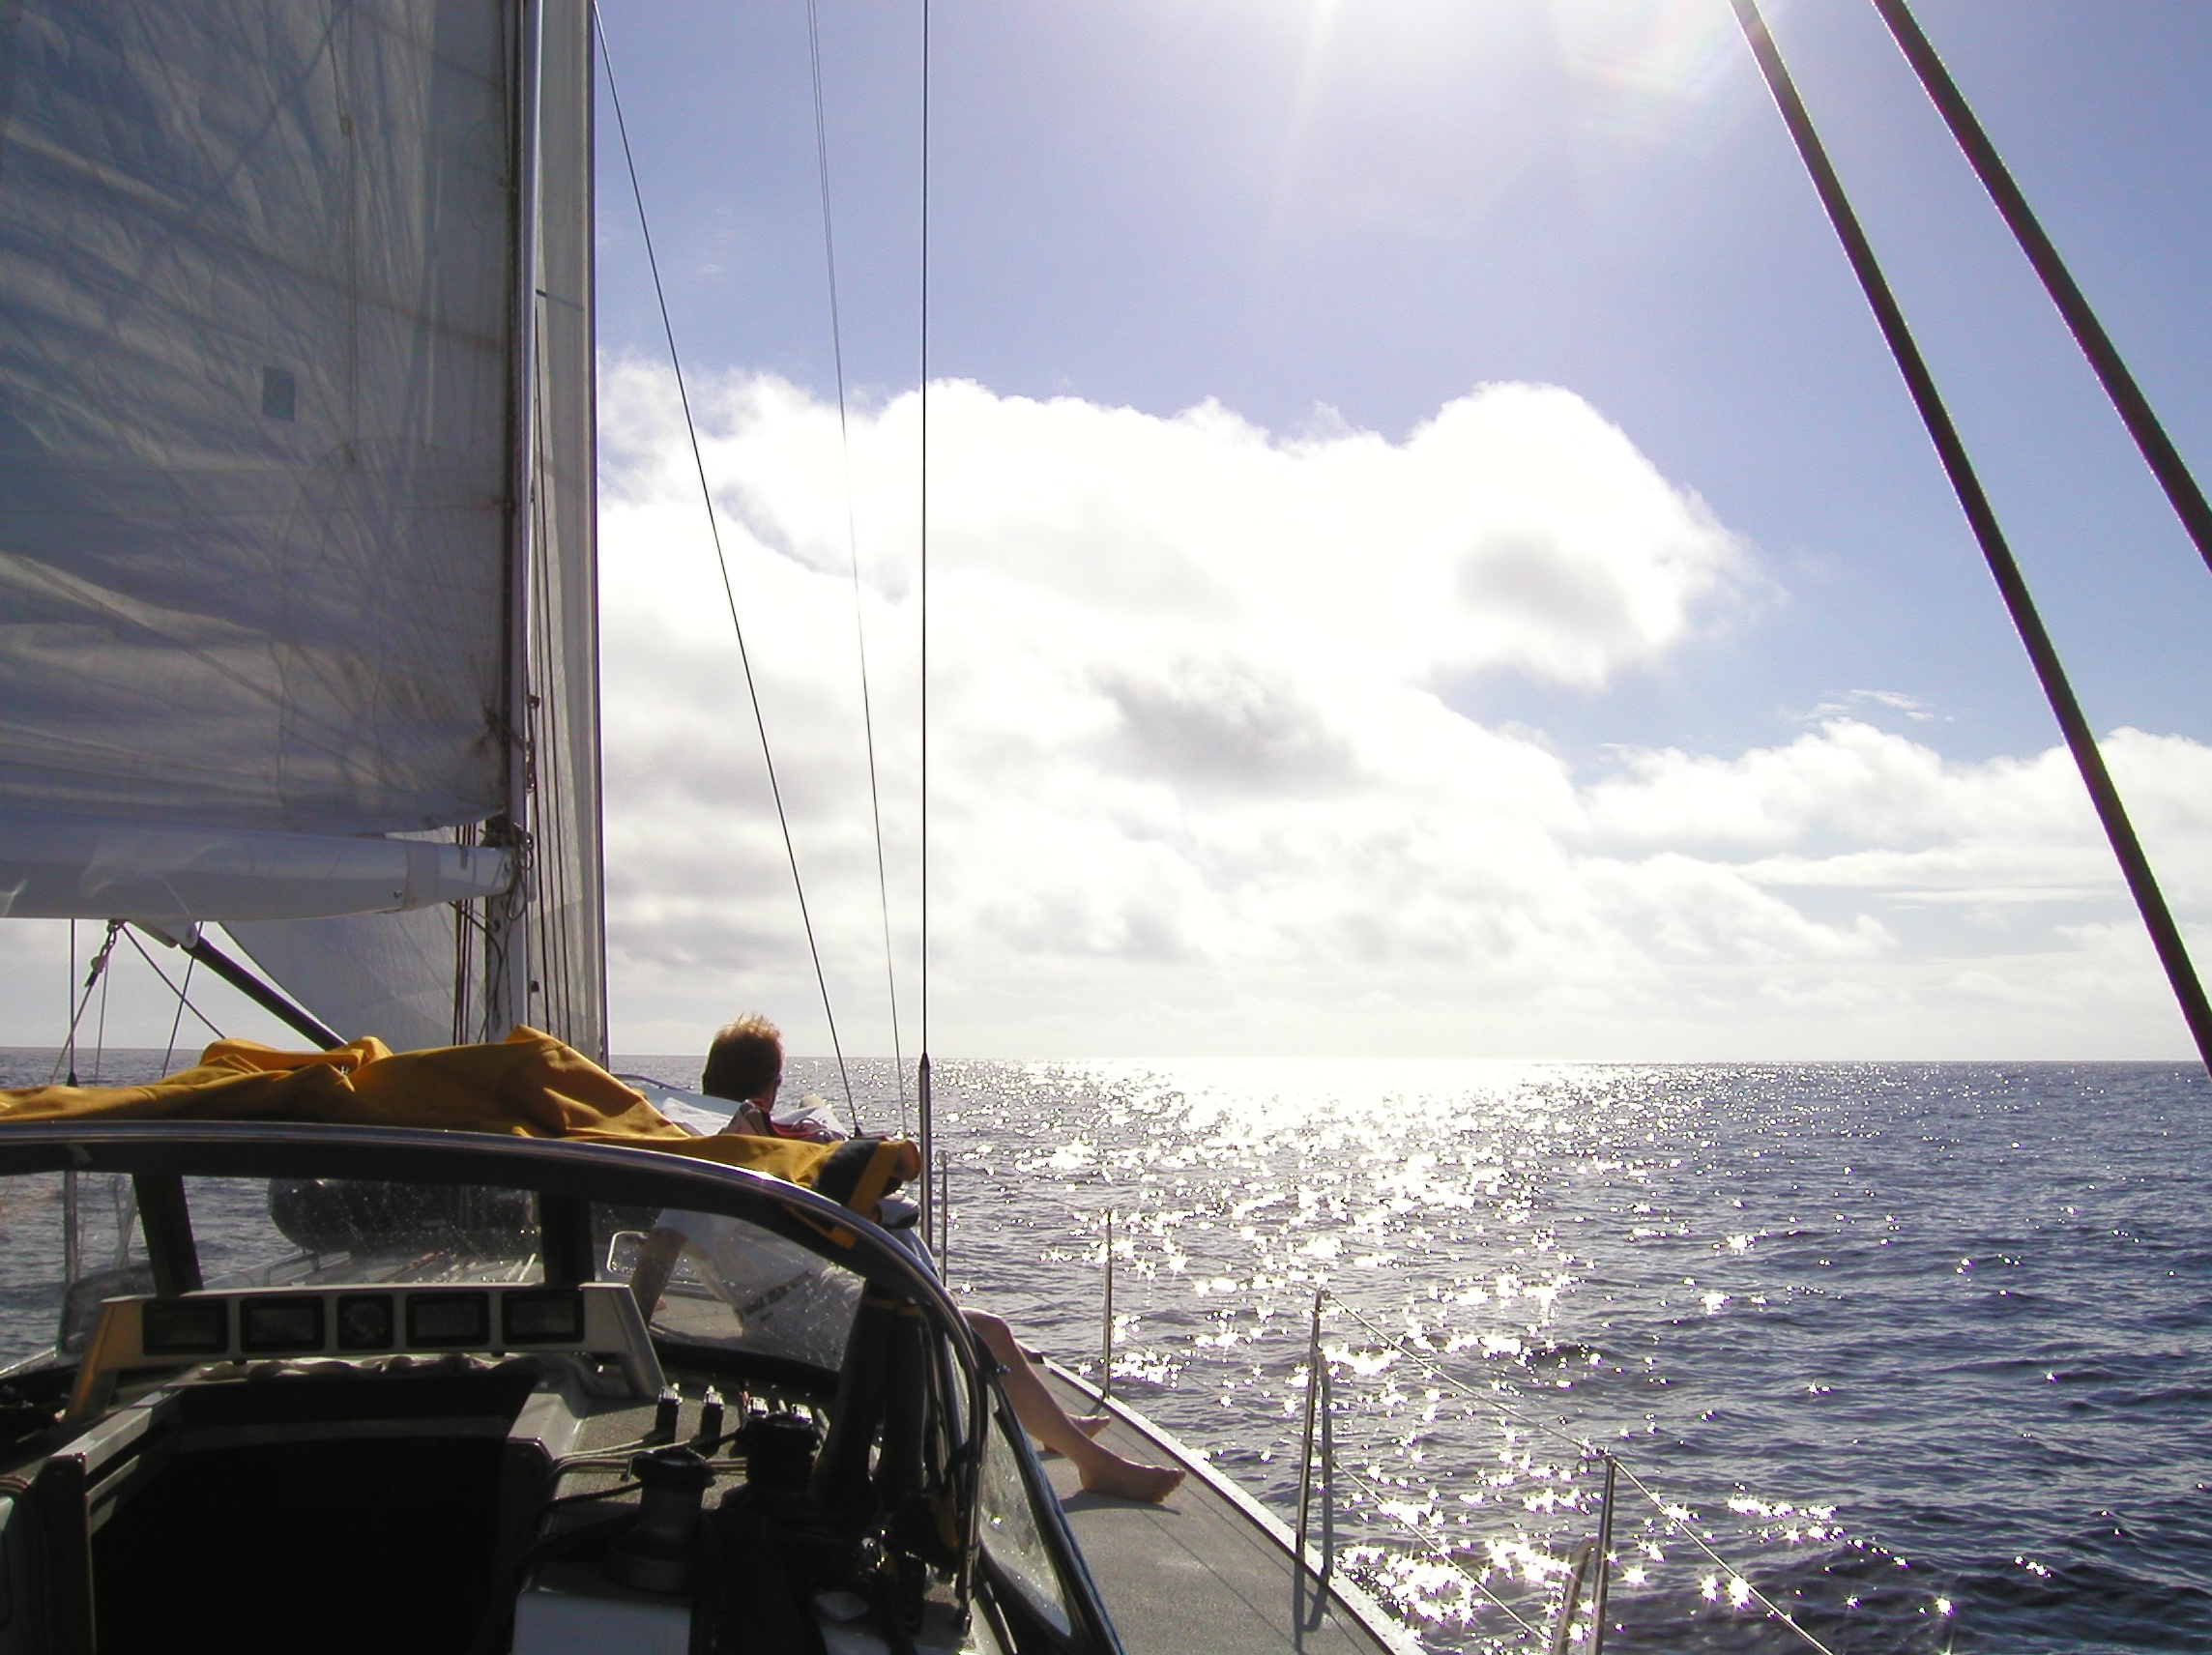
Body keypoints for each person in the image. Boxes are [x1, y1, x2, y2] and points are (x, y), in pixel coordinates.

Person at [632, 1015, 1184, 1504]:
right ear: (770, 1086)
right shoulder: (718, 1163)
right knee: (985, 1333)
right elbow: (661, 1251)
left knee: (984, 1331)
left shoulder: (745, 1148)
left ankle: (1052, 1427)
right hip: (799, 1315)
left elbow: (669, 1247)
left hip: (805, 1300)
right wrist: (633, 1333)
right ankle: (1095, 1467)